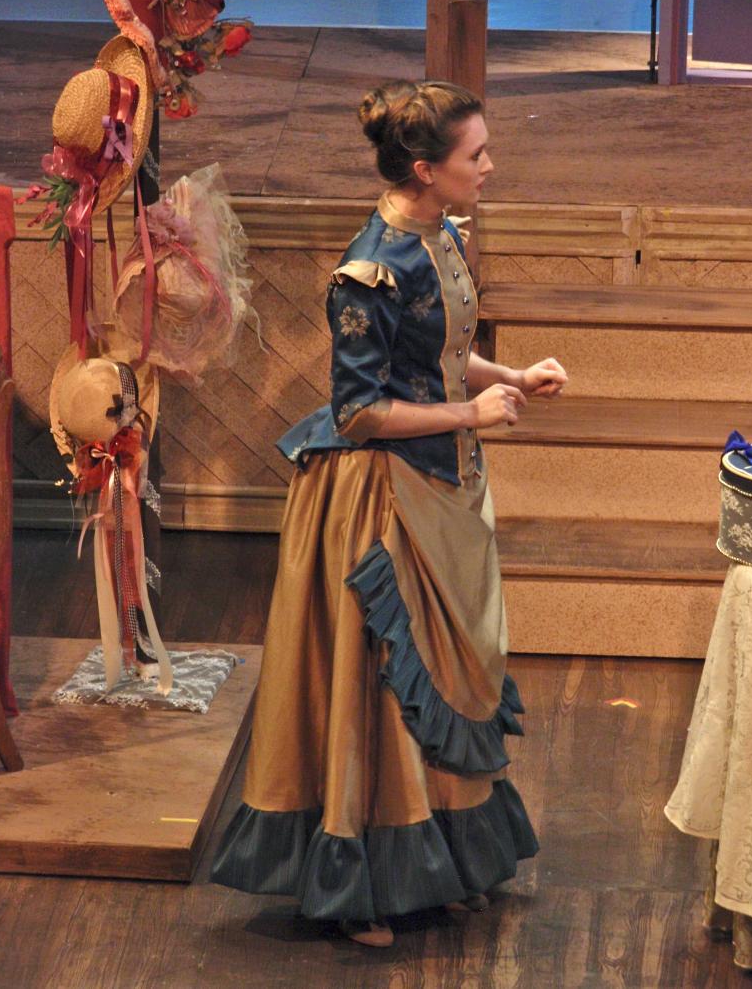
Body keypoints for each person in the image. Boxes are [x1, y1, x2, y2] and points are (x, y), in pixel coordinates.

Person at [211, 80, 568, 946]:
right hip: (379, 495)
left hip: (444, 480)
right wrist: (470, 414)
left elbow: (440, 353)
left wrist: (509, 378)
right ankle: (362, 883)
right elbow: (360, 411)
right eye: (476, 154)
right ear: (425, 169)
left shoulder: (441, 233)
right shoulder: (366, 271)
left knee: (445, 672)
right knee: (382, 684)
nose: (489, 166)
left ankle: (441, 862)